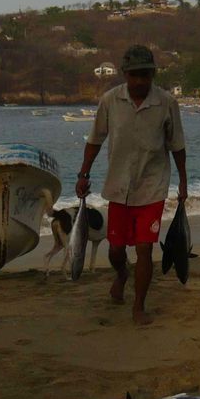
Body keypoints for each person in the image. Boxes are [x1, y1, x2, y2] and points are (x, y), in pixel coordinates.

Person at [76, 45, 187, 325]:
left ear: (152, 75)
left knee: (145, 249)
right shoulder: (110, 101)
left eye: (145, 75)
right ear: (125, 74)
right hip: (118, 186)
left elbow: (177, 146)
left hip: (152, 187)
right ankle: (122, 274)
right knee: (115, 249)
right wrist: (83, 174)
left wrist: (183, 182)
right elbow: (95, 140)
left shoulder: (166, 103)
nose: (140, 81)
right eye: (135, 75)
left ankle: (139, 305)